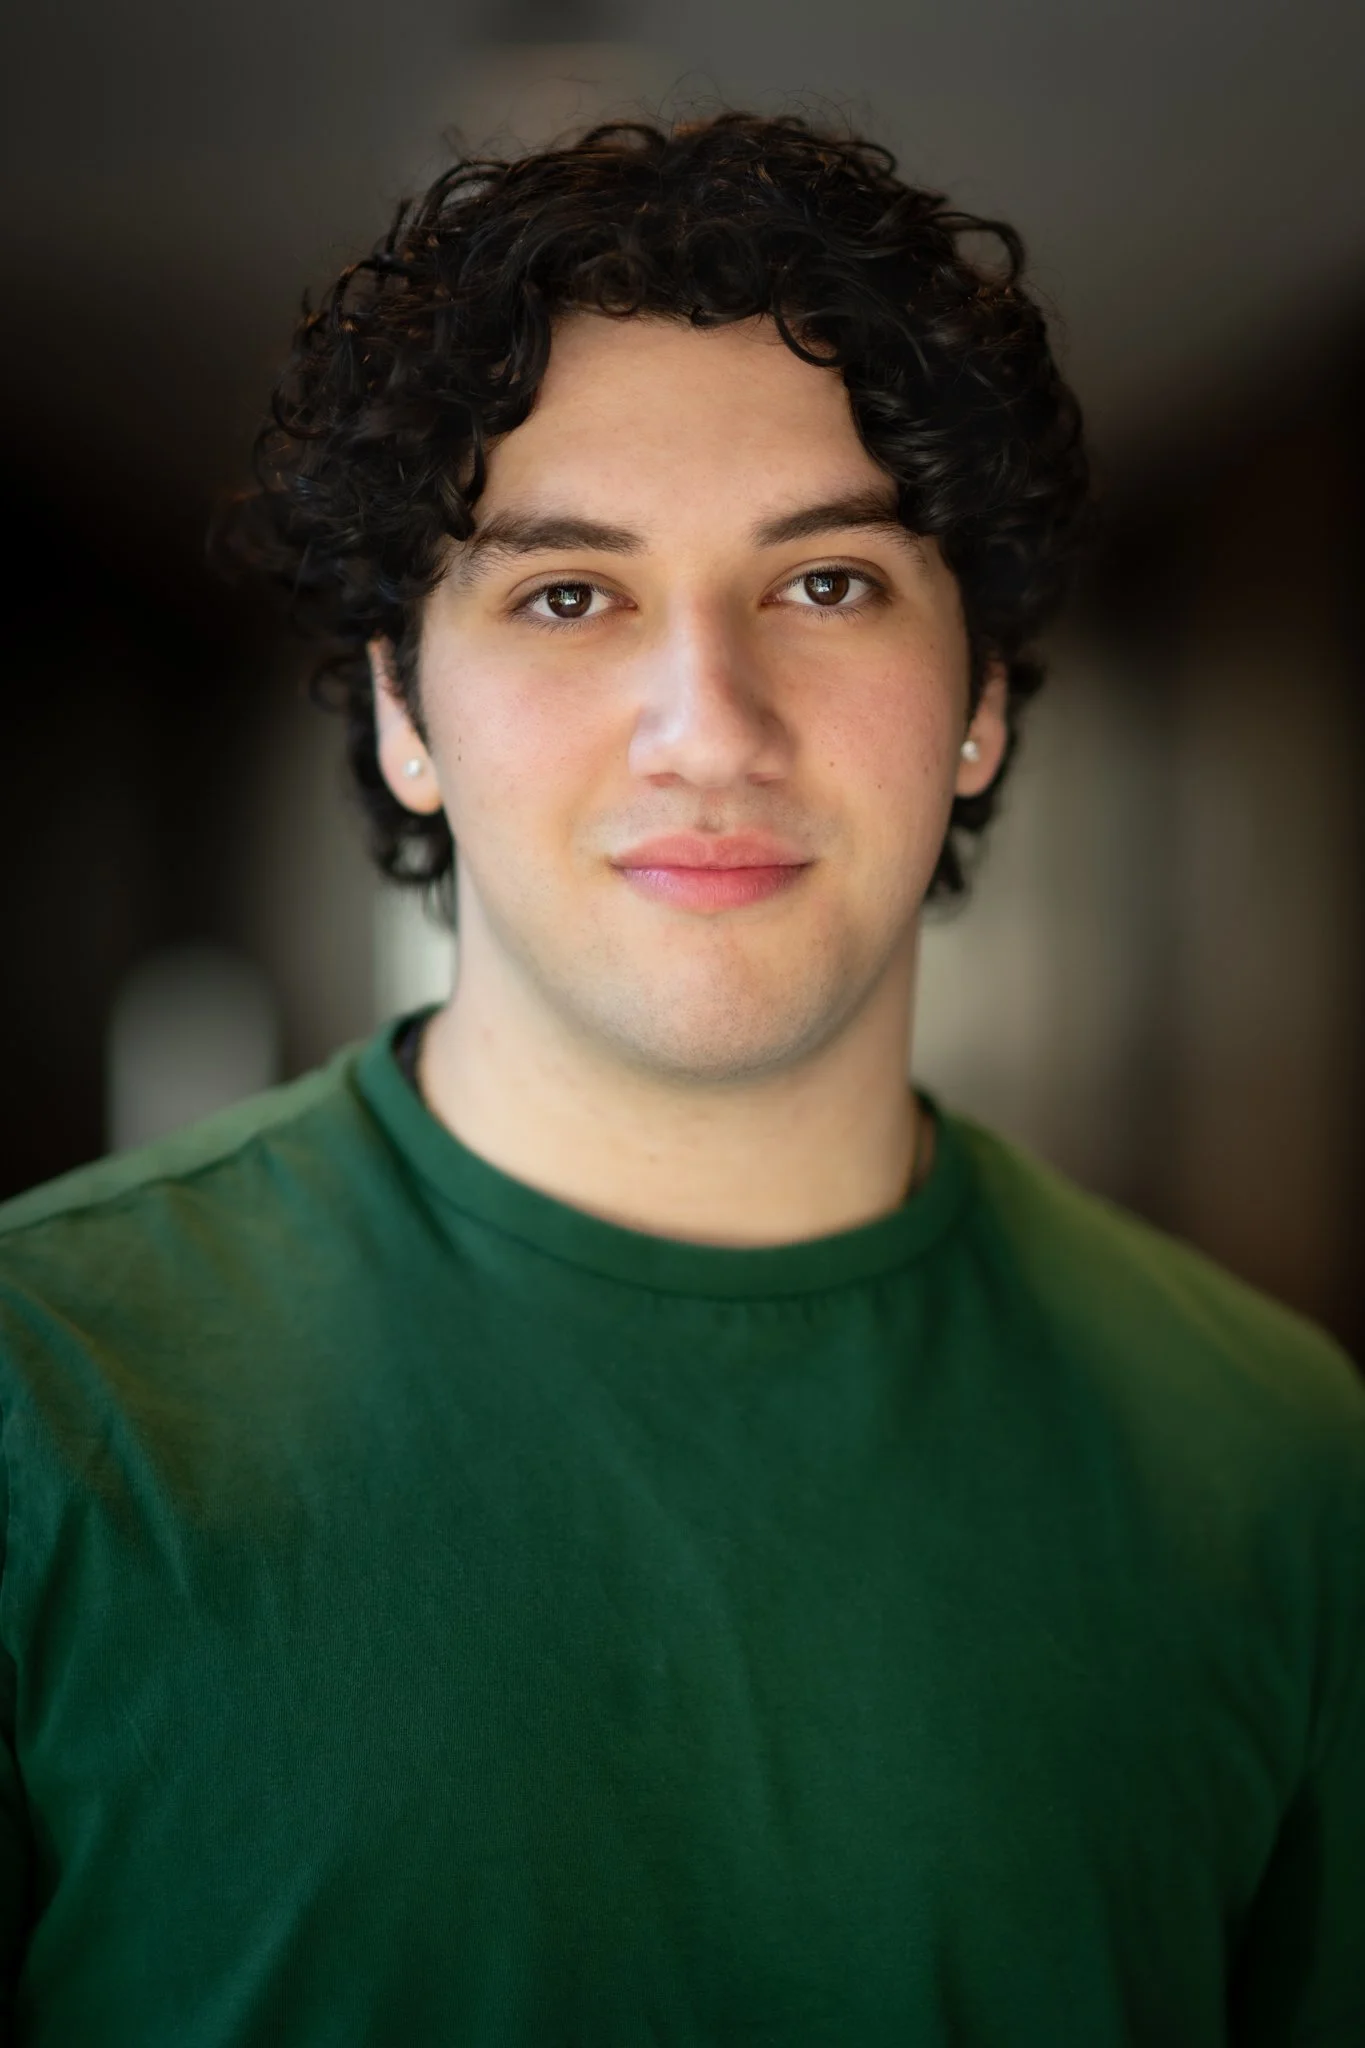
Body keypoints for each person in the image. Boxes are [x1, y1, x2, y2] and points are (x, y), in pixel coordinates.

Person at [0, 110, 1360, 2048]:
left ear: (979, 698)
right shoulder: (41, 1401)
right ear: (401, 708)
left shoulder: (1273, 1459)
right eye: (569, 594)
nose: (707, 726)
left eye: (828, 585)